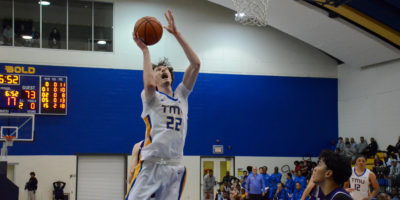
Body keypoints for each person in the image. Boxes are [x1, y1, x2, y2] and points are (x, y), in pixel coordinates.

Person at [125, 10, 200, 200]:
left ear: (172, 77)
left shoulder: (182, 96)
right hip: (150, 166)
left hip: (174, 167)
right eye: (158, 70)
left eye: (165, 69)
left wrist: (177, 35)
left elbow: (196, 64)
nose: (163, 70)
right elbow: (149, 83)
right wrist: (145, 50)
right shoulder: (151, 97)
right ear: (154, 78)